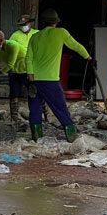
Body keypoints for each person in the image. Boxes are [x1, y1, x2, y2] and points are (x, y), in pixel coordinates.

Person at [25, 8, 91, 142]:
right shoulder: (61, 33)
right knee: (60, 107)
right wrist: (88, 57)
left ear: (43, 22)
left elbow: (28, 59)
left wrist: (31, 79)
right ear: (55, 22)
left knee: (35, 109)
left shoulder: (35, 36)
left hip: (35, 80)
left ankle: (37, 138)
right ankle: (71, 136)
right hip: (50, 80)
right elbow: (76, 46)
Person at [0, 30, 27, 125]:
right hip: (15, 72)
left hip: (27, 70)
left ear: (1, 40)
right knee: (14, 94)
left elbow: (10, 64)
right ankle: (14, 119)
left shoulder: (13, 46)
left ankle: (44, 115)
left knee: (33, 93)